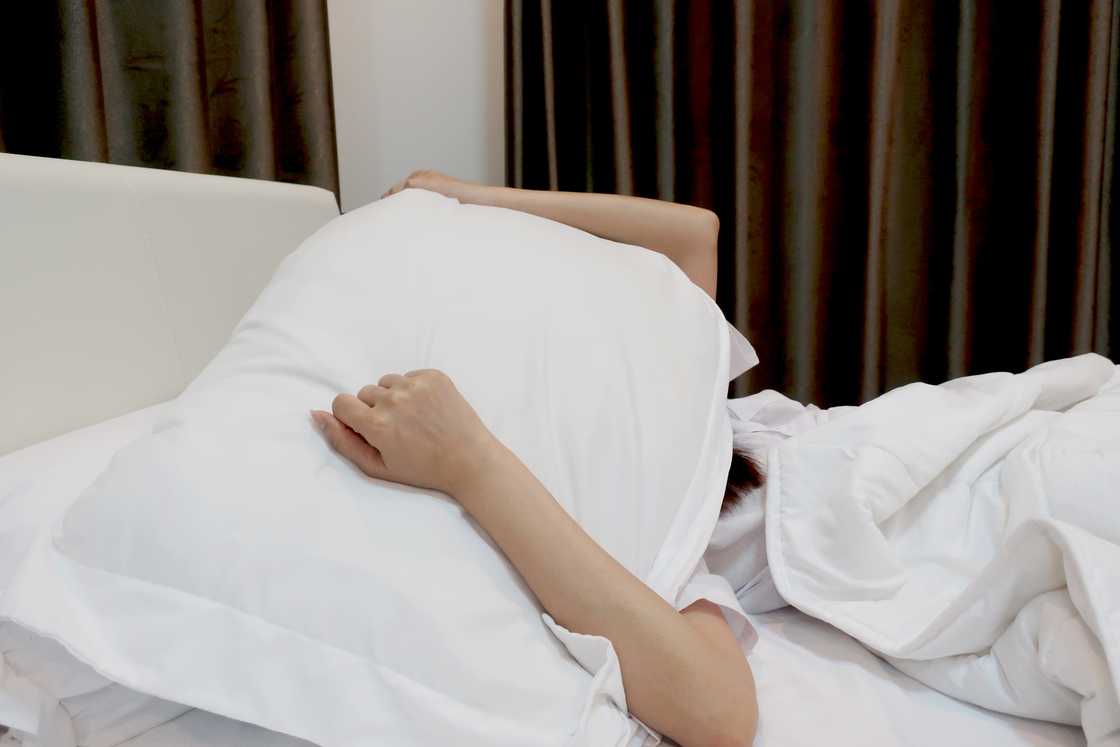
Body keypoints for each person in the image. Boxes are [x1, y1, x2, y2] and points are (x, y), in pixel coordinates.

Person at [309, 172, 761, 747]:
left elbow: (720, 719)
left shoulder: (653, 461)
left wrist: (465, 195)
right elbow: (696, 233)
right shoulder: (589, 420)